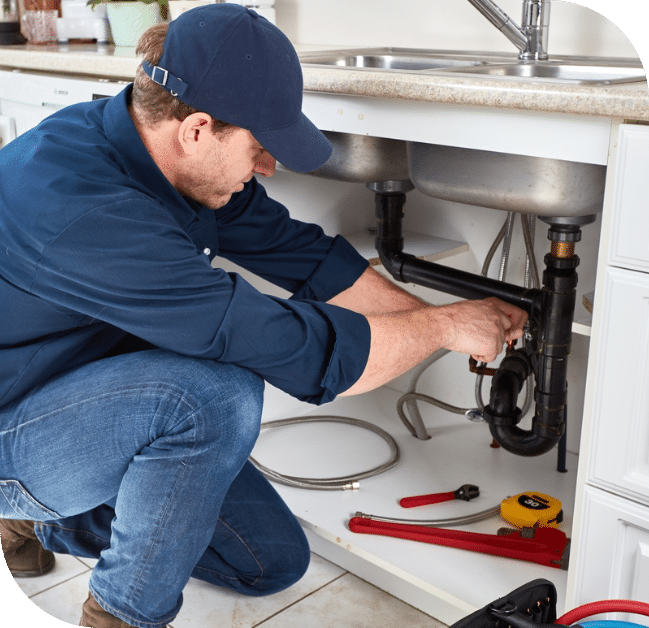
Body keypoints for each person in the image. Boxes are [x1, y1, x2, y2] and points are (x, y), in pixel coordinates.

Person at [0, 5, 527, 627]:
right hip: (16, 423)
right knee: (214, 397)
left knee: (269, 563)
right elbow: (291, 349)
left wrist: (444, 315)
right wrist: (442, 328)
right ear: (196, 129)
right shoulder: (85, 210)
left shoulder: (163, 157)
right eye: (259, 147)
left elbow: (305, 256)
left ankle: (49, 518)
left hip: (90, 391)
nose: (268, 167)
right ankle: (114, 611)